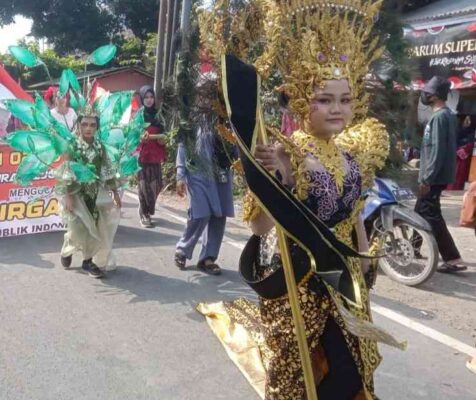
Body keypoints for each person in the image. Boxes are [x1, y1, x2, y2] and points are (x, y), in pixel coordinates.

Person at [196, 2, 398, 399]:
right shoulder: (285, 151)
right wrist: (282, 182)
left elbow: (354, 215)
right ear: (305, 101)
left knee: (353, 369)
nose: (337, 109)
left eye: (345, 98)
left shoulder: (355, 151)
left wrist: (363, 263)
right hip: (301, 282)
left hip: (345, 281)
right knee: (297, 373)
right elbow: (257, 225)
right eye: (325, 99)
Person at [173, 77, 237, 275]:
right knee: (200, 213)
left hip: (222, 175)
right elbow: (183, 146)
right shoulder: (192, 119)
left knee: (219, 215)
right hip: (198, 173)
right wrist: (180, 174)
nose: (207, 98)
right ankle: (183, 249)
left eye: (212, 93)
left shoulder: (227, 119)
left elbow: (237, 147)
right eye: (203, 93)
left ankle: (208, 258)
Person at [59, 110, 122, 278]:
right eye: (85, 124)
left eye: (92, 125)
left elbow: (107, 170)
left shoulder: (100, 147)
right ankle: (67, 250)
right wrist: (67, 195)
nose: (88, 128)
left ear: (97, 127)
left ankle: (88, 262)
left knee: (93, 229)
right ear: (79, 126)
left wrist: (115, 192)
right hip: (76, 194)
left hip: (94, 195)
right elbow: (66, 170)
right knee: (77, 228)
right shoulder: (72, 146)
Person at [415, 76, 466, 273]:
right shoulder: (447, 116)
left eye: (427, 92)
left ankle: (453, 258)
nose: (425, 95)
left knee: (431, 214)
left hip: (433, 177)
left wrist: (427, 178)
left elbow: (436, 150)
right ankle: (412, 248)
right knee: (420, 211)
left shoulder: (439, 118)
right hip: (436, 175)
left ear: (435, 96)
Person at [135, 85, 167, 228]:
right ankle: (144, 213)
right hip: (142, 154)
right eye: (146, 97)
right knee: (144, 186)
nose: (149, 100)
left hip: (155, 153)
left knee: (157, 185)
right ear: (142, 99)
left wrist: (162, 139)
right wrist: (141, 137)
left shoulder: (159, 114)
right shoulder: (138, 116)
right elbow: (133, 135)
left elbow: (164, 134)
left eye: (151, 97)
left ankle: (147, 209)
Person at [447, 115, 475, 190]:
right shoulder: (458, 130)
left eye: (469, 119)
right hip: (457, 156)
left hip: (465, 157)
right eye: (466, 119)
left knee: (460, 176)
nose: (467, 122)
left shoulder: (472, 132)